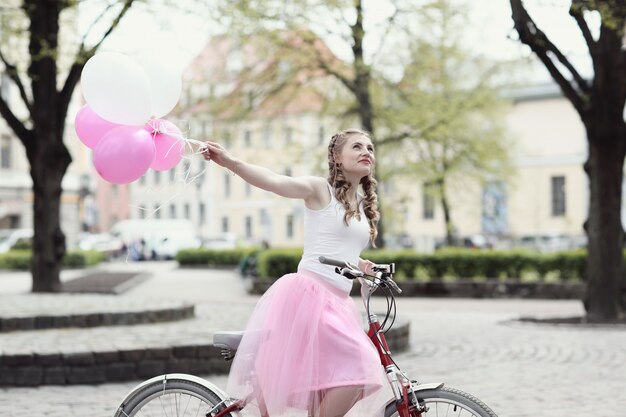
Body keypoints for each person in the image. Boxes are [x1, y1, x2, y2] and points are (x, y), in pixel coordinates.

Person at [201, 129, 387, 417]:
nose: (367, 152)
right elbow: (275, 181)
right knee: (361, 363)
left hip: (339, 303)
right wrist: (230, 161)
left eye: (370, 148)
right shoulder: (318, 190)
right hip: (311, 298)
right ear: (337, 157)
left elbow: (341, 246)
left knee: (339, 383)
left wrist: (362, 266)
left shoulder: (360, 204)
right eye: (357, 146)